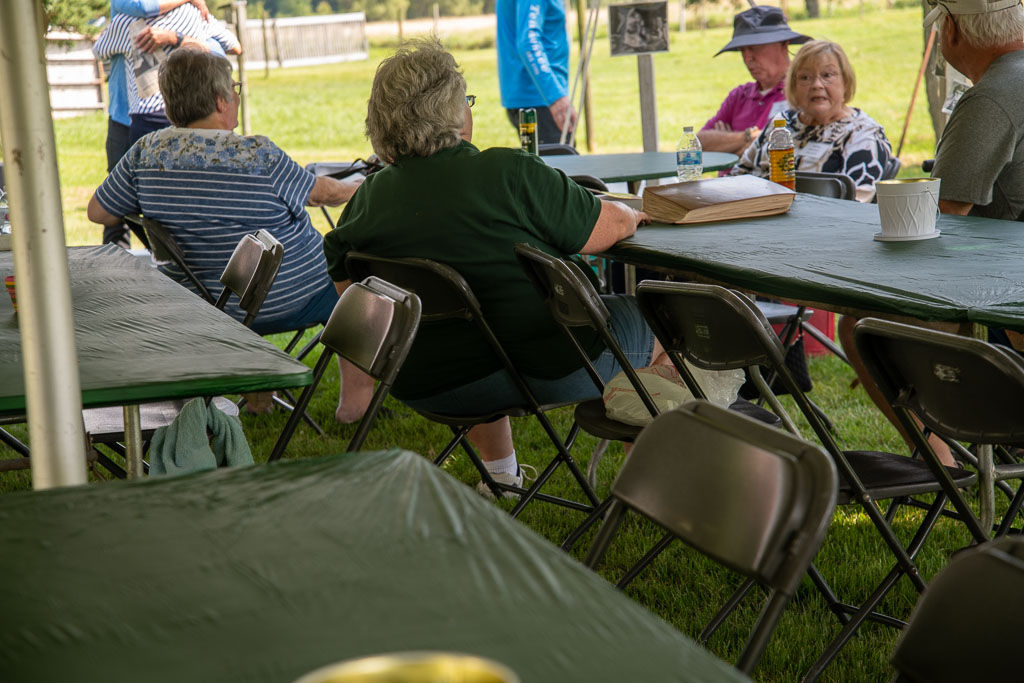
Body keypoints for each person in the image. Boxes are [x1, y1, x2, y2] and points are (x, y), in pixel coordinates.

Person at [324, 39, 661, 498]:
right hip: (544, 367)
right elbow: (603, 230)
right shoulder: (507, 171)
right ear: (455, 111)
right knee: (661, 322)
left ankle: (501, 476)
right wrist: (629, 213)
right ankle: (650, 490)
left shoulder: (368, 198)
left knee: (480, 319)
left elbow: (351, 290)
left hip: (426, 382)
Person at [87, 49, 362, 416]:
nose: (235, 95)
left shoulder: (145, 153)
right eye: (233, 89)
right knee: (358, 279)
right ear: (220, 101)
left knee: (254, 282)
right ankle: (355, 408)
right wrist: (363, 185)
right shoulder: (257, 155)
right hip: (287, 297)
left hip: (201, 303)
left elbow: (99, 212)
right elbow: (321, 193)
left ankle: (258, 397)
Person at [837, 0, 1024, 466]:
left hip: (1003, 284)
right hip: (1006, 277)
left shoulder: (994, 94)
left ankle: (944, 466)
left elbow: (938, 213)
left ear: (952, 31)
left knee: (864, 325)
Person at [731, 40, 892, 203]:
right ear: (793, 85)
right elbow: (738, 176)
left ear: (846, 81)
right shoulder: (781, 123)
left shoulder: (861, 134)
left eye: (827, 75)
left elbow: (856, 204)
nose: (816, 85)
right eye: (805, 77)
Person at [698, 6, 810, 156]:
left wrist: (727, 145)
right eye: (742, 50)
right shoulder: (738, 96)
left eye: (755, 47)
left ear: (784, 43)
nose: (748, 57)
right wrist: (748, 136)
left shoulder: (802, 92)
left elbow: (786, 150)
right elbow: (697, 144)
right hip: (730, 180)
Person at [496, 0, 577, 146]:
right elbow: (528, 42)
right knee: (561, 166)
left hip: (532, 97)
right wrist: (555, 97)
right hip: (540, 100)